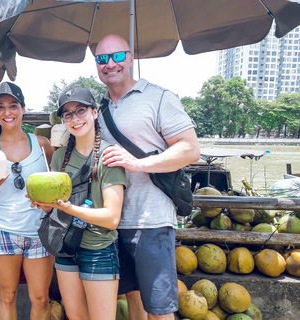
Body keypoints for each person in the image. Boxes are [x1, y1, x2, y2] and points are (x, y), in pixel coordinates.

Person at [94, 34, 200, 320]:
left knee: (159, 306)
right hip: (112, 221)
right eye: (102, 59)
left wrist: (138, 164)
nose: (110, 64)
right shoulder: (97, 109)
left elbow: (190, 149)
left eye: (117, 56)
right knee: (132, 297)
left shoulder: (158, 97)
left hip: (151, 220)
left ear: (130, 58)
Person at [31, 87, 126, 320]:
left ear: (94, 113)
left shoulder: (108, 157)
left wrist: (70, 209)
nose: (75, 119)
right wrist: (43, 203)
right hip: (65, 245)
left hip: (98, 248)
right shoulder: (59, 156)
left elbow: (112, 219)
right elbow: (53, 207)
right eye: (68, 114)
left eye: (81, 111)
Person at [0, 82, 54, 320]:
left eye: (13, 106)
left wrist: (49, 203)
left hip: (39, 230)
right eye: (0, 107)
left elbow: (55, 185)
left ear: (23, 109)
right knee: (6, 296)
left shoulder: (41, 145)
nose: (7, 112)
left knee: (40, 298)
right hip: (1, 229)